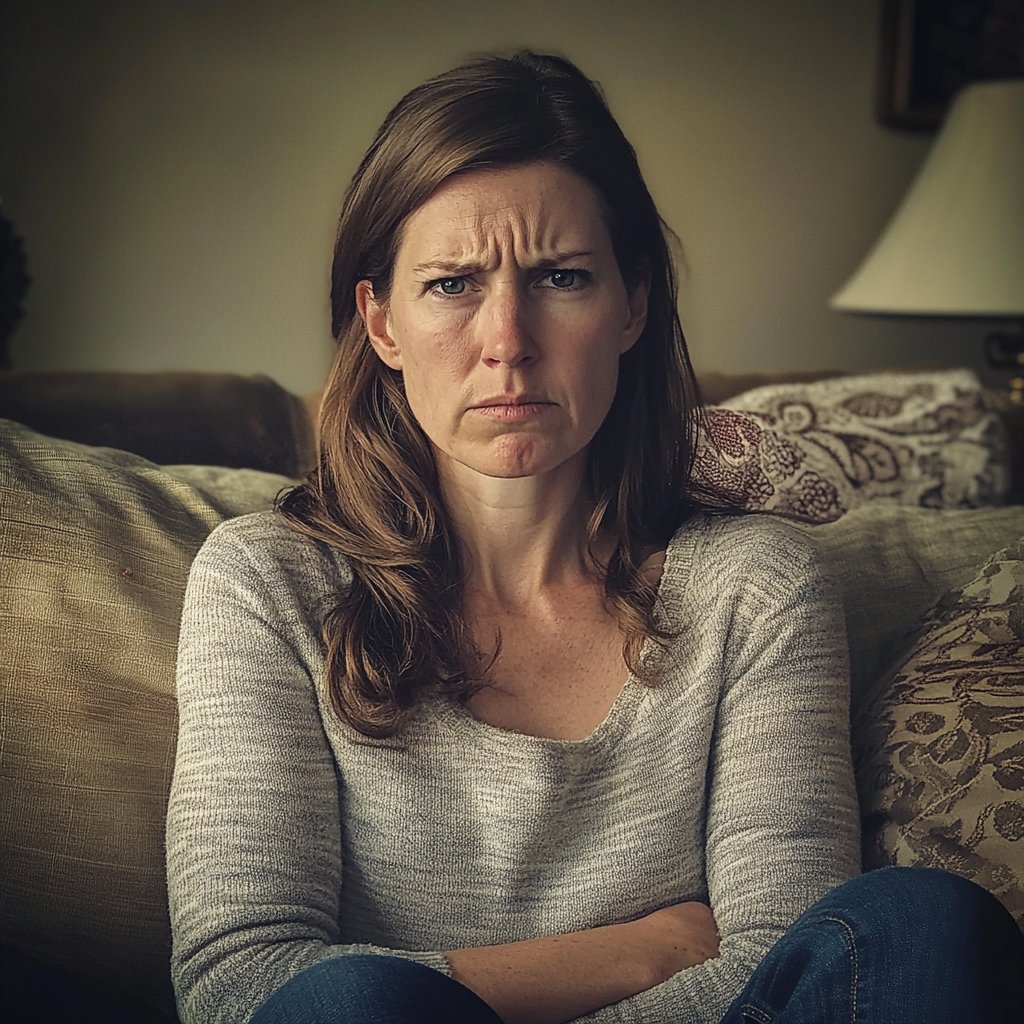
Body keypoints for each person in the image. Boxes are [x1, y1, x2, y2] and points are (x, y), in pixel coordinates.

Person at [166, 51, 1024, 1024]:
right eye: (451, 284)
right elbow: (239, 986)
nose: (508, 340)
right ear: (381, 322)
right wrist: (640, 949)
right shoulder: (264, 581)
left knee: (920, 922)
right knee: (348, 1003)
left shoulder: (756, 586)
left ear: (633, 303)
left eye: (562, 276)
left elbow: (784, 955)